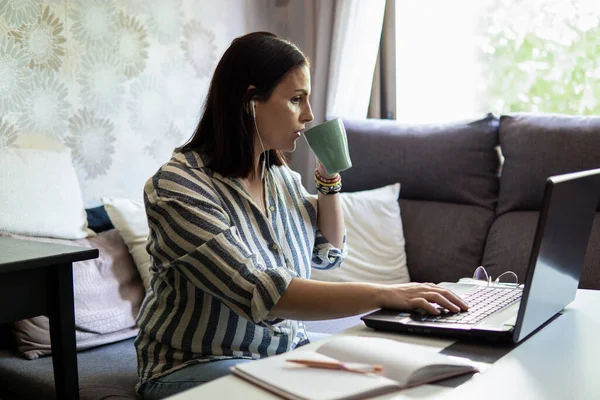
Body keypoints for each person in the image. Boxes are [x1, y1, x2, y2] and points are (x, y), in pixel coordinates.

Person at [134, 31, 468, 400]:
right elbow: (264, 294)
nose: (308, 115)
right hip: (194, 364)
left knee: (398, 373)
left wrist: (328, 182)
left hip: (282, 351)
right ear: (250, 102)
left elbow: (329, 251)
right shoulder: (177, 189)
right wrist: (386, 294)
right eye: (296, 100)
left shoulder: (280, 179)